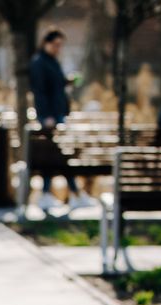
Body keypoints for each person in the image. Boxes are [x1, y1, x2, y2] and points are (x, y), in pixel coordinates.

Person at [29, 28, 93, 211]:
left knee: (56, 156)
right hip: (50, 115)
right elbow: (39, 91)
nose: (58, 48)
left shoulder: (52, 62)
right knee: (58, 155)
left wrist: (67, 81)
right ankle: (72, 193)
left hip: (58, 113)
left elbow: (55, 85)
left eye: (60, 45)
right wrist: (45, 115)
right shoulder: (40, 63)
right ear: (46, 43)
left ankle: (54, 194)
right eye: (56, 44)